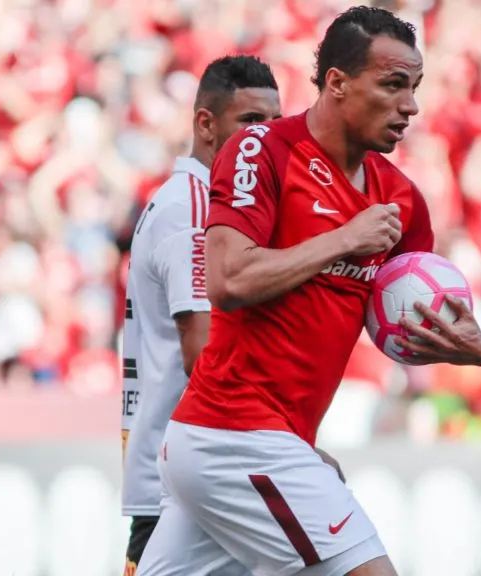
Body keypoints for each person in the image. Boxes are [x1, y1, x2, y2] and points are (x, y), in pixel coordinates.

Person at [136, 6, 481, 576]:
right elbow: (229, 280)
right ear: (337, 82)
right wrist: (344, 238)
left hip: (248, 441)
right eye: (393, 84)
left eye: (415, 87)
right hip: (237, 433)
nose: (411, 105)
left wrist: (466, 347)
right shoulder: (262, 151)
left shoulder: (401, 199)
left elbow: (400, 321)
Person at [119, 54, 283, 576]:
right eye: (250, 121)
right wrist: (280, 442)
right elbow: (202, 353)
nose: (264, 139)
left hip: (192, 472)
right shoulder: (193, 209)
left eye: (274, 123)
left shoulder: (201, 201)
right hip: (186, 482)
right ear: (206, 124)